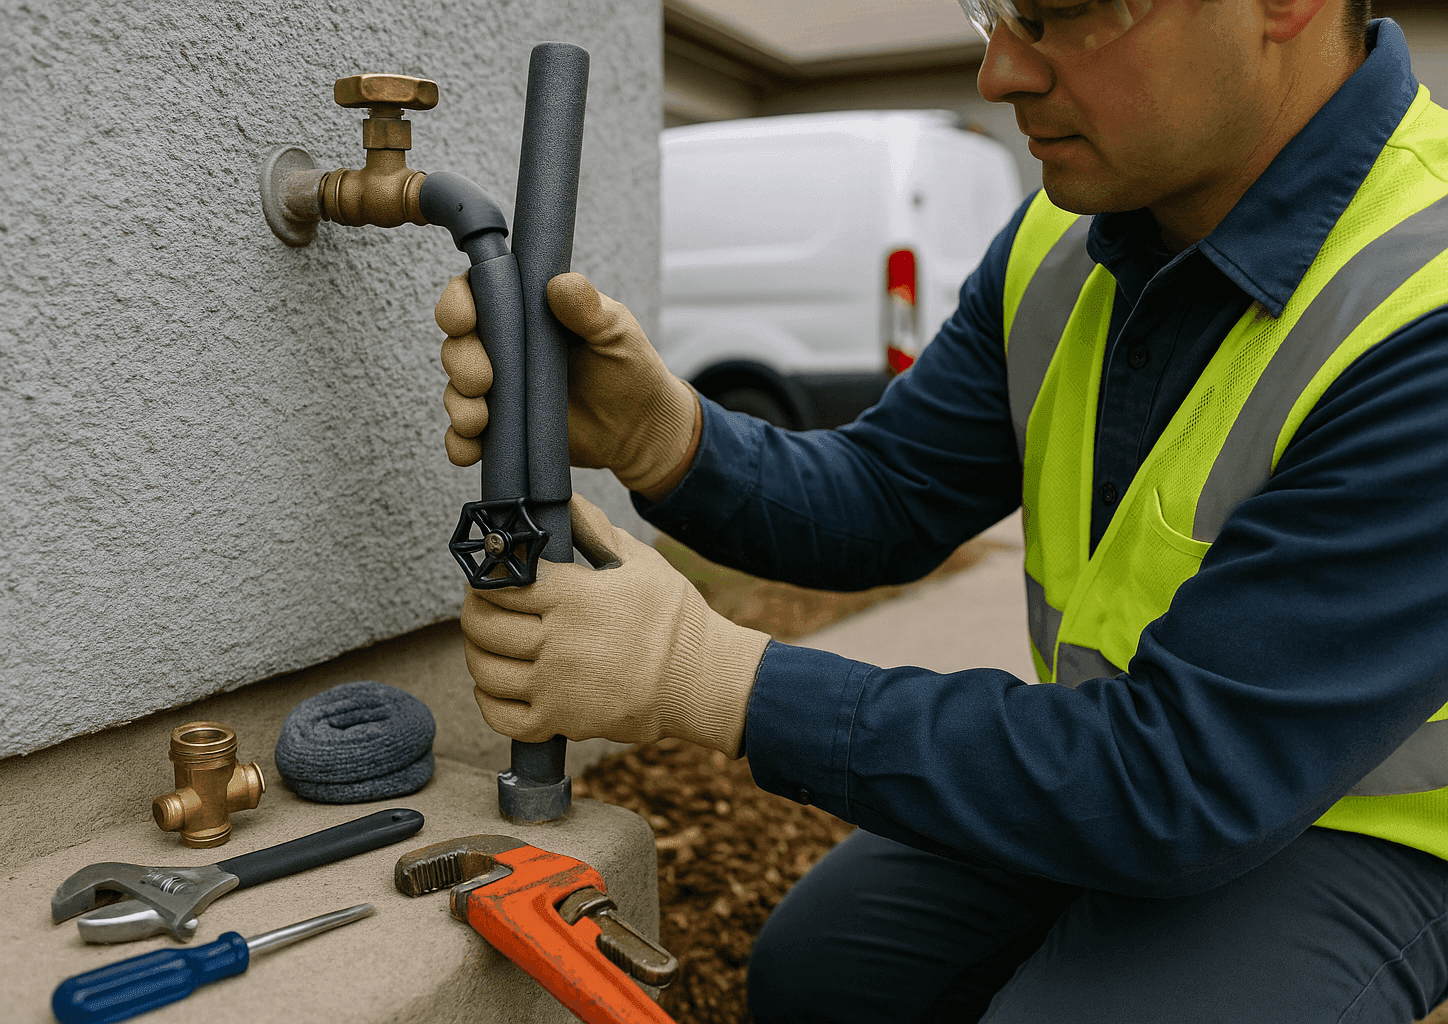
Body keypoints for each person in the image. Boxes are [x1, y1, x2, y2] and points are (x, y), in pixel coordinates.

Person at [437, 0, 1448, 1018]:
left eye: (1059, 13)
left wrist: (708, 675)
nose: (999, 72)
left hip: (1371, 828)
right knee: (824, 972)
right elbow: (885, 495)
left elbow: (1180, 774)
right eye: (993, 11)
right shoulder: (1070, 235)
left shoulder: (1422, 305)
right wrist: (668, 437)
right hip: (1140, 776)